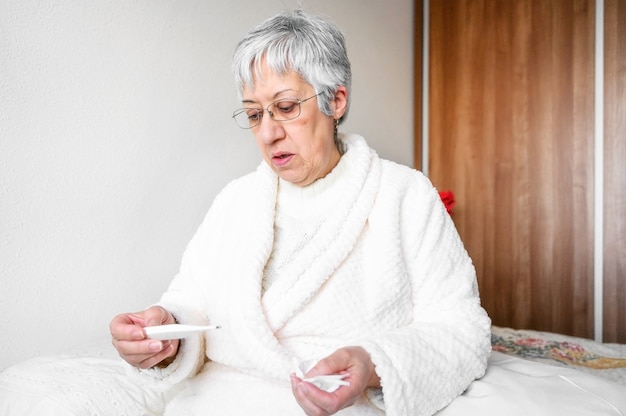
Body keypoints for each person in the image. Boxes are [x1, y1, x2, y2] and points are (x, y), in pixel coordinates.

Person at [110, 9, 491, 416]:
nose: (268, 133)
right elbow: (191, 302)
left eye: (286, 107)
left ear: (336, 101)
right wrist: (165, 334)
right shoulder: (235, 202)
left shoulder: (406, 195)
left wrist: (374, 363)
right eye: (255, 114)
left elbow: (463, 330)